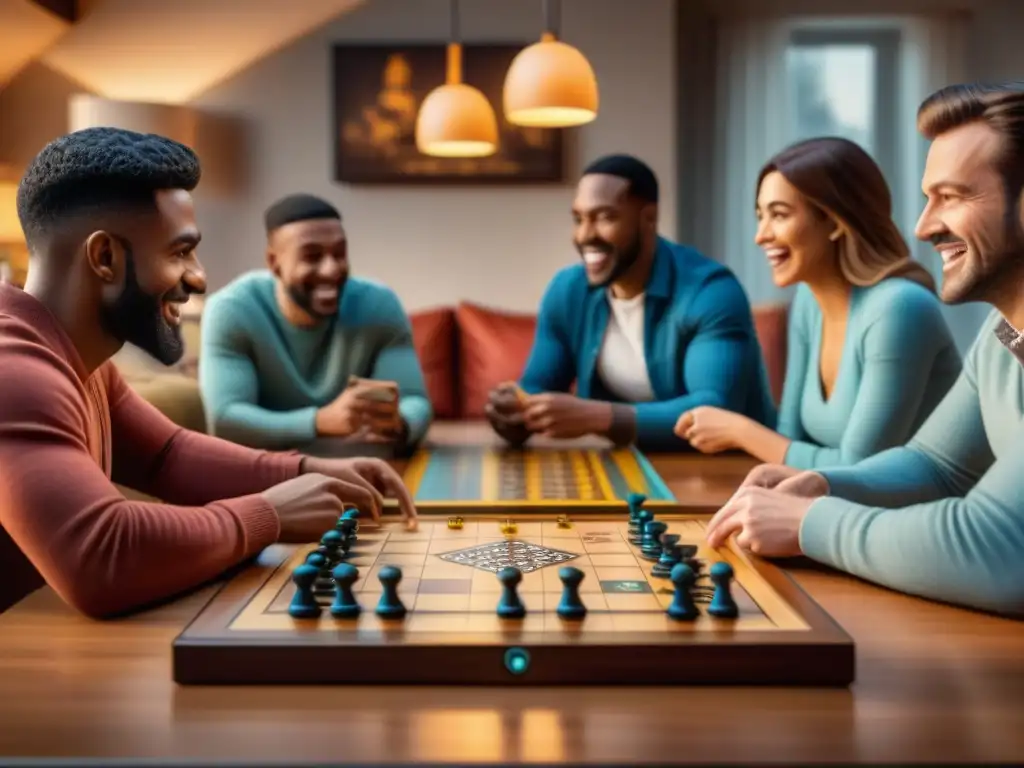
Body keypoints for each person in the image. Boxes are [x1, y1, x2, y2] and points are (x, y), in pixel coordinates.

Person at [0, 128, 417, 619]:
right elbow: (100, 556)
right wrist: (269, 514)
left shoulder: (77, 359)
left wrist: (309, 471)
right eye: (179, 252)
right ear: (105, 257)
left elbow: (168, 455)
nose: (199, 277)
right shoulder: (14, 372)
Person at [706, 81, 1024, 616]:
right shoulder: (1003, 336)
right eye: (928, 198)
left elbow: (999, 551)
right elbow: (937, 464)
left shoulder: (903, 307)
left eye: (951, 196)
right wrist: (825, 484)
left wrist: (810, 523)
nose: (923, 226)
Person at [675, 137, 961, 468]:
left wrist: (739, 431)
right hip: (847, 509)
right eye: (760, 216)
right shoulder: (809, 300)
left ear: (836, 222)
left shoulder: (900, 308)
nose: (761, 235)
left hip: (927, 514)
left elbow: (860, 467)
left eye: (779, 215)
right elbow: (789, 438)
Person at [485, 154, 776, 452]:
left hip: (730, 470)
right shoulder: (568, 291)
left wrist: (599, 417)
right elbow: (537, 386)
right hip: (623, 461)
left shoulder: (710, 291)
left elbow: (715, 408)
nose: (585, 235)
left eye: (606, 217)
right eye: (579, 219)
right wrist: (515, 411)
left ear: (648, 218)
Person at [199, 194, 432, 454]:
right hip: (271, 469)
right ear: (274, 263)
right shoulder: (232, 309)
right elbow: (224, 420)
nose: (331, 269)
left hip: (356, 463)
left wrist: (398, 425)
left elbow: (415, 401)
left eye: (339, 253)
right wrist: (320, 421)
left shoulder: (379, 304)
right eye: (312, 257)